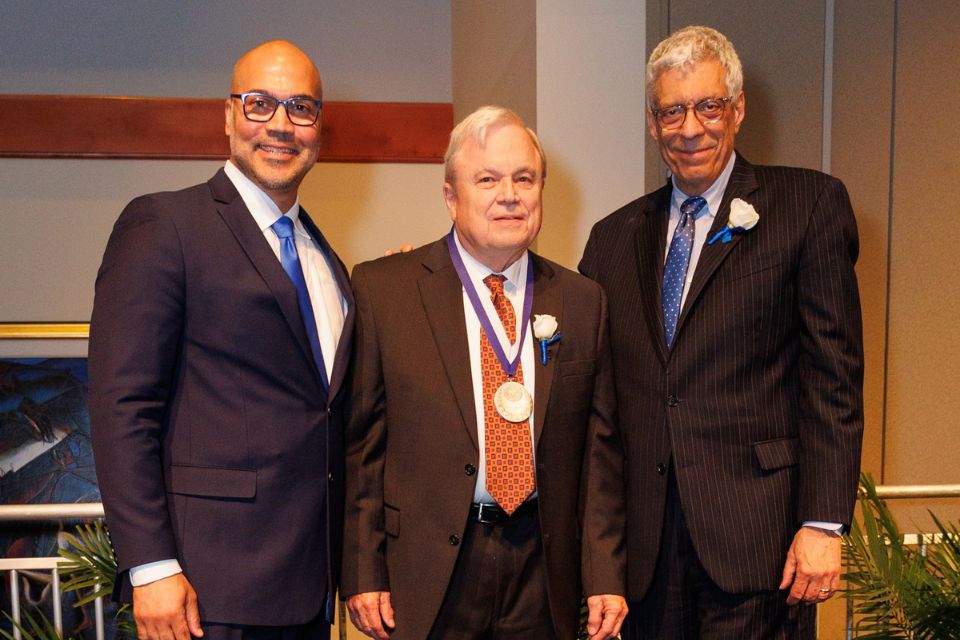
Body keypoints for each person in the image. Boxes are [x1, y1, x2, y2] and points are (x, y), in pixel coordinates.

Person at [579, 26, 864, 639]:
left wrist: (823, 522)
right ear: (653, 123)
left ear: (736, 109)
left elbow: (833, 377)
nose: (690, 128)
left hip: (761, 542)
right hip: (646, 552)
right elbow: (586, 384)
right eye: (672, 111)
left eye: (708, 106)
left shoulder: (807, 206)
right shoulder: (611, 239)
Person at [88, 40, 351, 640]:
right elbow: (120, 406)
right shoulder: (164, 225)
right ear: (228, 115)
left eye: (301, 108)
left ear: (320, 126)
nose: (281, 125)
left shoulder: (324, 257)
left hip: (309, 586)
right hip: (204, 591)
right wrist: (151, 566)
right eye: (260, 104)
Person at [341, 106, 627, 640]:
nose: (509, 195)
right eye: (488, 179)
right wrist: (363, 571)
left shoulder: (584, 301)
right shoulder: (386, 290)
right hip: (427, 569)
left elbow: (600, 453)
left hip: (545, 571)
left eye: (524, 178)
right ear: (451, 197)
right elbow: (362, 447)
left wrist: (605, 575)